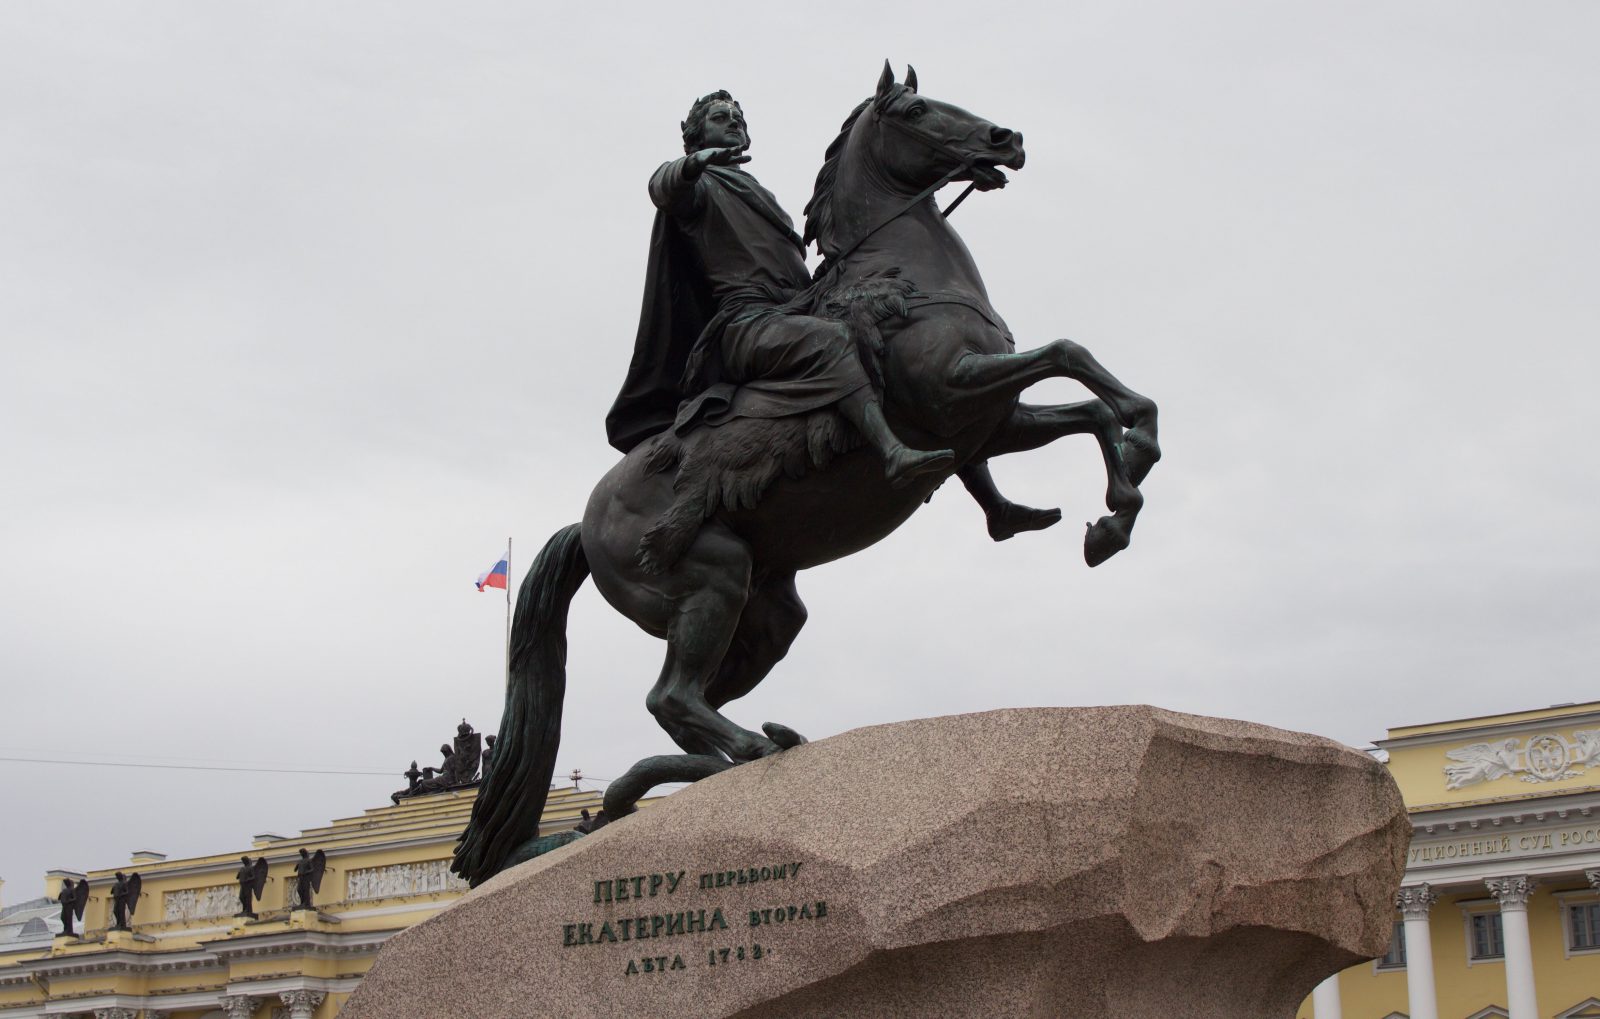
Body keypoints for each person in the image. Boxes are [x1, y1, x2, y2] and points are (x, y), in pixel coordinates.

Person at [608, 91, 1058, 536]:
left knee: (910, 364)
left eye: (737, 116)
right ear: (695, 134)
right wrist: (690, 165)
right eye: (720, 117)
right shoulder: (701, 186)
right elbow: (663, 188)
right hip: (746, 324)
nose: (733, 122)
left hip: (790, 310)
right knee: (833, 340)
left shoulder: (756, 191)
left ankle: (993, 505)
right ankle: (892, 452)